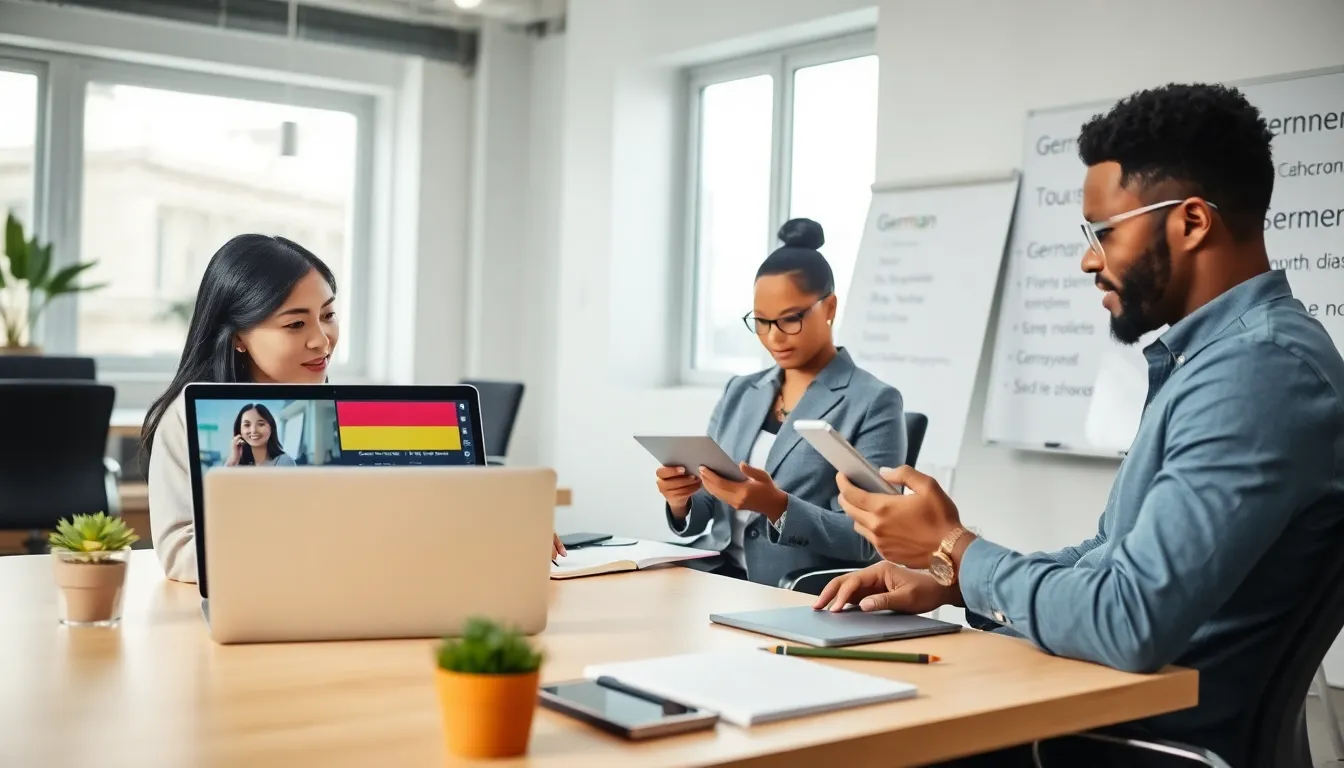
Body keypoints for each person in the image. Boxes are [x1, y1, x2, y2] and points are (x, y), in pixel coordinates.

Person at [814, 83, 1344, 767]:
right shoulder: (1220, 360)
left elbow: (1128, 619)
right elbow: (1109, 556)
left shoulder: (1258, 373)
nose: (1089, 259)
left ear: (1190, 222)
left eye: (1104, 233)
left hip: (1133, 746)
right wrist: (951, 575)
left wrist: (957, 548)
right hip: (1100, 721)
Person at [145, 234, 567, 583]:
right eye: (295, 324)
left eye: (327, 315)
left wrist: (499, 526)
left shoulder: (340, 413)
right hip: (265, 604)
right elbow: (182, 552)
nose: (322, 340)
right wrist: (325, 548)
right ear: (238, 335)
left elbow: (412, 508)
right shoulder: (186, 417)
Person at [658, 218, 907, 587]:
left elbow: (866, 538)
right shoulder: (740, 392)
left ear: (830, 307)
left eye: (790, 319)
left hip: (795, 590)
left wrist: (776, 505)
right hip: (716, 577)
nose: (774, 338)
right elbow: (711, 504)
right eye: (761, 321)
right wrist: (681, 500)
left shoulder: (872, 402)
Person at [224, 403, 295, 467]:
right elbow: (220, 481)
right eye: (247, 425)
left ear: (271, 428)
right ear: (240, 430)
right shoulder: (235, 463)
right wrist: (232, 460)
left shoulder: (285, 462)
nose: (253, 430)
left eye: (261, 424)